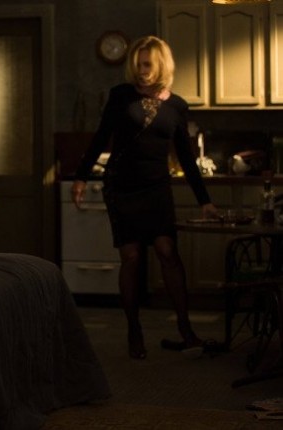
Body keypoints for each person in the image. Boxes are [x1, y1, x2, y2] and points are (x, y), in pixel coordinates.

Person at [71, 35, 217, 360]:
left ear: (161, 65)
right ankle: (134, 330)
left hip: (156, 188)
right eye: (137, 65)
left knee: (167, 251)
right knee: (132, 257)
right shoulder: (121, 96)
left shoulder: (177, 106)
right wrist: (81, 176)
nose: (141, 71)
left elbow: (186, 158)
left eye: (147, 65)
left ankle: (185, 329)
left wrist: (204, 200)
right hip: (121, 185)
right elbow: (100, 138)